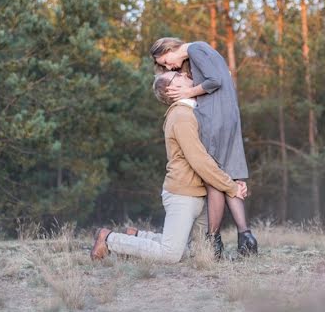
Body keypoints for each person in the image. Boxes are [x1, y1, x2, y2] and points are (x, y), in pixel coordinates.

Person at [90, 71, 248, 262]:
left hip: (199, 195)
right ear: (172, 90)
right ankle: (109, 239)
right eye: (177, 75)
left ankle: (137, 237)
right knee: (171, 255)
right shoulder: (182, 116)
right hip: (183, 194)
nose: (183, 73)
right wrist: (231, 187)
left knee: (201, 253)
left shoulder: (194, 111)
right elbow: (200, 160)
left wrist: (235, 179)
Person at [150, 37, 258, 257]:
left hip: (214, 117)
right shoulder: (204, 52)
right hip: (228, 116)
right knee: (230, 174)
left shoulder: (196, 49)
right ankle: (246, 237)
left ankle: (213, 242)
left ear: (170, 48)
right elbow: (224, 76)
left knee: (213, 178)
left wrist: (188, 93)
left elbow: (216, 80)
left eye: (166, 60)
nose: (169, 66)